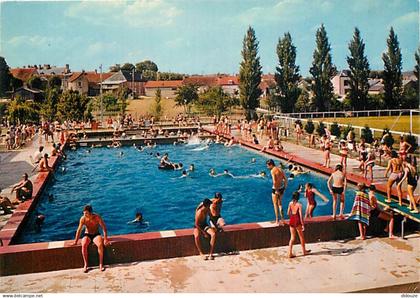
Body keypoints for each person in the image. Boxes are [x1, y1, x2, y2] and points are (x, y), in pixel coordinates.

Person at [73, 205, 110, 273]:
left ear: (90, 212)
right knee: (83, 245)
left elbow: (104, 228)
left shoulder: (97, 217)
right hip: (87, 234)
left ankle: (101, 264)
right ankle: (86, 264)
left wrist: (105, 239)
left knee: (100, 245)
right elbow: (79, 230)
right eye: (84, 213)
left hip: (96, 234)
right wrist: (75, 241)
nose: (84, 215)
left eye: (86, 213)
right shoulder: (83, 219)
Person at [287, 191, 310, 258]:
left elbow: (288, 213)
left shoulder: (290, 203)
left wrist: (292, 216)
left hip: (292, 220)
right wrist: (302, 224)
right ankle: (304, 251)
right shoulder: (299, 205)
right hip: (297, 220)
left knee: (292, 238)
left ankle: (290, 253)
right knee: (301, 237)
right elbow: (300, 216)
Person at [266, 159, 288, 225]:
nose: (267, 167)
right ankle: (283, 220)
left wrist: (276, 190)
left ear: (271, 165)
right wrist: (284, 188)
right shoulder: (280, 169)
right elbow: (286, 179)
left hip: (276, 189)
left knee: (275, 205)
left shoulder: (272, 171)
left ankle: (277, 221)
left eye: (268, 166)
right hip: (282, 188)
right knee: (280, 204)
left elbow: (274, 182)